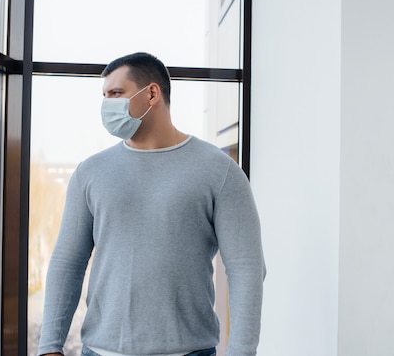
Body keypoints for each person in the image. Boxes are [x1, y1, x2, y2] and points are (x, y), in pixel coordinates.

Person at [37, 52, 265, 356]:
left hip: (189, 351)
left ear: (152, 93)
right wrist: (49, 347)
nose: (108, 105)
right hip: (100, 351)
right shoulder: (90, 172)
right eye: (105, 96)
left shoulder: (219, 171)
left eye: (116, 93)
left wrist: (242, 352)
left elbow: (246, 267)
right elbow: (68, 262)